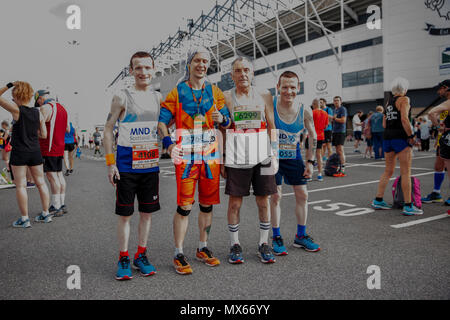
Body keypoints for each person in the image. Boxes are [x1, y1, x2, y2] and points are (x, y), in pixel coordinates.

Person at [158, 47, 231, 274]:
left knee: (207, 205)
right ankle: (178, 252)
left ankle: (203, 247)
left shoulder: (215, 92)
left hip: (210, 158)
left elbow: (228, 121)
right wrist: (169, 145)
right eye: (197, 60)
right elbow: (162, 123)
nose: (201, 64)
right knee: (185, 206)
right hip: (187, 159)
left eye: (205, 61)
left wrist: (224, 118)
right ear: (189, 64)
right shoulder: (177, 92)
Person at [104, 52, 162, 280]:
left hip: (150, 166)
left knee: (147, 214)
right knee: (126, 215)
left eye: (147, 68)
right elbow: (108, 129)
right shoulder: (122, 96)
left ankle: (141, 254)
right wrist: (111, 164)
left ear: (153, 69)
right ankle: (124, 257)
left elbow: (165, 124)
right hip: (127, 167)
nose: (143, 72)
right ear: (131, 71)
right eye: (138, 68)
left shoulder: (158, 98)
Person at [222, 56, 277, 264]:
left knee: (263, 201)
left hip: (262, 157)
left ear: (252, 73)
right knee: (235, 203)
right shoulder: (226, 97)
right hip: (237, 158)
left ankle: (264, 243)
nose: (242, 74)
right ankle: (234, 244)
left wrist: (275, 153)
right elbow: (223, 128)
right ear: (232, 76)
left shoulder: (264, 94)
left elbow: (271, 124)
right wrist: (222, 159)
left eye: (246, 70)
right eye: (238, 71)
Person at [270, 71, 321, 256]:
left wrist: (310, 162)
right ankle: (276, 237)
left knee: (303, 195)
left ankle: (301, 235)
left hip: (293, 156)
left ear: (298, 88)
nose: (288, 91)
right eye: (284, 87)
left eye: (292, 87)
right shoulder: (271, 105)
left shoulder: (304, 109)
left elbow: (313, 136)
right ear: (278, 87)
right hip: (273, 157)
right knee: (276, 196)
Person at [0, 81, 51, 227]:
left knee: (21, 185)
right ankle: (46, 214)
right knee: (41, 182)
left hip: (20, 152)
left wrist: (10, 84)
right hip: (35, 151)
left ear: (17, 96)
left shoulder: (16, 110)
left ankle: (24, 219)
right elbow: (43, 135)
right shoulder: (38, 112)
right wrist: (30, 132)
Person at [371, 77, 423, 216]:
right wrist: (411, 136)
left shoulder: (388, 102)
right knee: (406, 172)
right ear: (404, 89)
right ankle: (408, 205)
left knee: (388, 171)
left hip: (387, 137)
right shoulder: (404, 99)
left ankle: (378, 199)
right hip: (400, 137)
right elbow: (405, 119)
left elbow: (384, 124)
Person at [35, 89, 69, 217]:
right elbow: (68, 129)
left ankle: (56, 206)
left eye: (37, 101)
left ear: (40, 99)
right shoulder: (63, 108)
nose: (38, 104)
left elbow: (40, 130)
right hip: (59, 146)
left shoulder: (45, 108)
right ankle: (61, 203)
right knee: (59, 175)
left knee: (51, 177)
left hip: (48, 147)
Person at [424, 80, 450, 206]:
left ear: (446, 88)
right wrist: (440, 129)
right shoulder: (445, 104)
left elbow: (431, 113)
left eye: (439, 89)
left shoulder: (448, 102)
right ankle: (436, 193)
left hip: (447, 138)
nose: (438, 91)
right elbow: (434, 115)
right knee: (438, 166)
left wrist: (438, 126)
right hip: (444, 139)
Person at [310, 98, 329, 181]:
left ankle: (309, 175)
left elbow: (308, 125)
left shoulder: (312, 112)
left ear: (314, 104)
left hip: (312, 136)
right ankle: (320, 174)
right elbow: (326, 126)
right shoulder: (325, 113)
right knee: (319, 155)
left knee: (310, 155)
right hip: (321, 136)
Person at [331, 96, 347, 177]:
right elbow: (334, 120)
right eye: (335, 101)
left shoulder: (342, 109)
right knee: (337, 151)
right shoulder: (334, 110)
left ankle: (343, 169)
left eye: (337, 100)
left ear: (341, 101)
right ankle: (339, 167)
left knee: (340, 150)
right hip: (335, 132)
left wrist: (334, 118)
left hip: (341, 131)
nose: (336, 102)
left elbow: (343, 120)